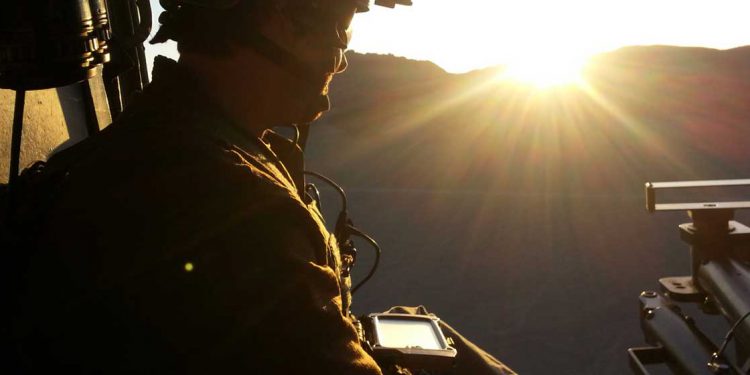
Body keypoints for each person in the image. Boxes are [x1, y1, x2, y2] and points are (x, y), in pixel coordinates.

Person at [7, 0, 516, 373]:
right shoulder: (235, 205)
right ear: (274, 20)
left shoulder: (162, 139)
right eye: (339, 31)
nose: (340, 60)